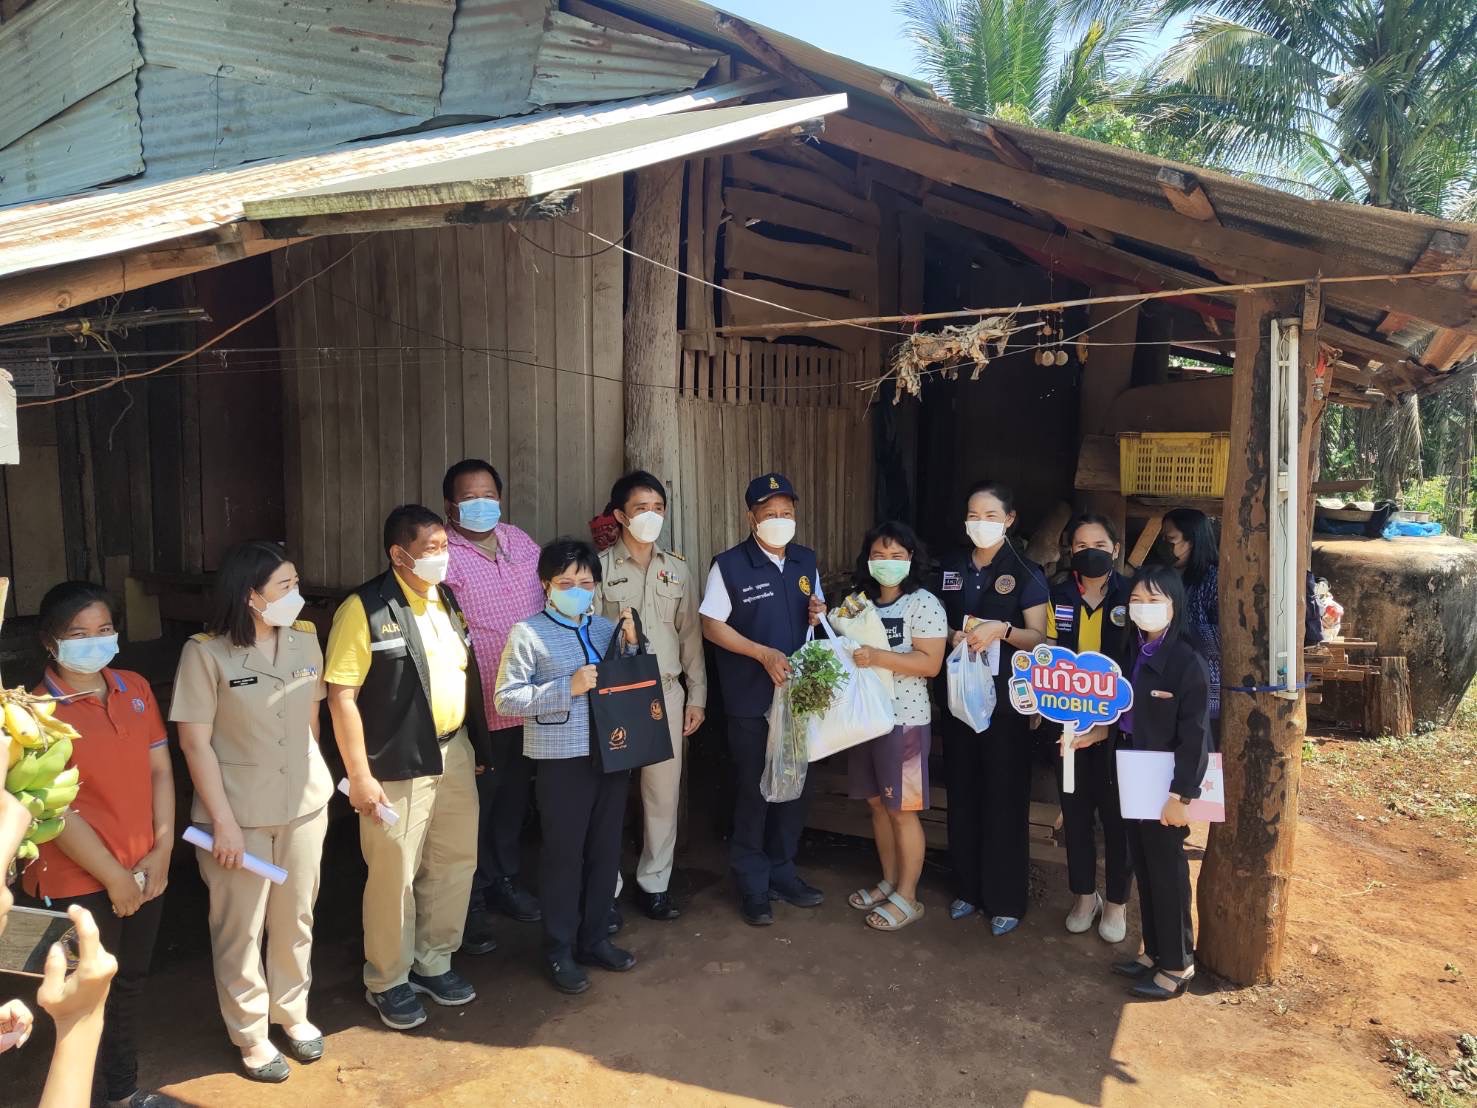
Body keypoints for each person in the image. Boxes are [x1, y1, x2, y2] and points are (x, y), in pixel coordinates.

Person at [170, 541, 334, 1082]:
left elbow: (311, 721)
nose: (296, 594)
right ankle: (251, 1034)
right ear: (250, 596)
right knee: (240, 929)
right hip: (238, 815)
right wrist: (222, 823)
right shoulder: (206, 653)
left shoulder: (305, 639)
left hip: (304, 805)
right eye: (285, 586)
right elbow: (195, 744)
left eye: (295, 582)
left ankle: (292, 1011)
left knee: (297, 916)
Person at [325, 505, 491, 1031]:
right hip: (393, 760)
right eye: (431, 549)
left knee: (454, 860)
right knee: (393, 872)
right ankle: (388, 978)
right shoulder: (365, 608)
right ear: (399, 554)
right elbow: (341, 696)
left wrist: (476, 748)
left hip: (453, 749)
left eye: (445, 547)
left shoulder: (446, 599)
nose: (443, 557)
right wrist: (359, 775)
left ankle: (433, 961)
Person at [21, 582, 178, 1108]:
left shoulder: (134, 687)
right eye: (78, 634)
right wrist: (113, 877)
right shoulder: (34, 712)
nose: (95, 641)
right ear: (50, 642)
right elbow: (52, 809)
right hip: (75, 881)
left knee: (130, 982)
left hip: (145, 867)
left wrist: (162, 850)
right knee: (78, 997)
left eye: (104, 629)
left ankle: (123, 1090)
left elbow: (160, 770)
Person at [494, 538, 637, 995]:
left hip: (611, 753)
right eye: (566, 582)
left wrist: (633, 644)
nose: (578, 590)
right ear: (545, 584)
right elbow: (506, 699)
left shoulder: (605, 628)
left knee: (605, 850)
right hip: (561, 759)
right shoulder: (527, 633)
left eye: (586, 583)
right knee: (563, 855)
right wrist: (566, 688)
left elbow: (629, 681)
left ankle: (594, 938)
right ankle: (558, 949)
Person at [700, 472, 826, 927]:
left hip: (799, 699)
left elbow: (816, 617)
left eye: (786, 512)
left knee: (794, 788)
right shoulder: (730, 566)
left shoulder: (805, 561)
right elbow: (711, 625)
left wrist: (818, 613)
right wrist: (761, 653)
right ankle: (752, 883)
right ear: (751, 517)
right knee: (755, 791)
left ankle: (782, 871)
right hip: (751, 700)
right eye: (769, 513)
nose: (779, 519)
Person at [934, 482, 1048, 936]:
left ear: (1010, 520)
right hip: (960, 700)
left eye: (990, 516)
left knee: (1004, 798)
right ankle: (967, 888)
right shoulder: (950, 567)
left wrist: (1003, 630)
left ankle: (1006, 898)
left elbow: (1039, 638)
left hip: (1005, 708)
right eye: (973, 515)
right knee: (962, 794)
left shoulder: (1026, 572)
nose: (980, 523)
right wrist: (951, 636)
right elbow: (933, 620)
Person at [441, 459, 546, 946]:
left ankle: (503, 880)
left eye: (488, 495)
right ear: (450, 506)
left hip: (526, 702)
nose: (481, 504)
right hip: (477, 706)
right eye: (469, 498)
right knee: (474, 807)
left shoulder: (518, 540)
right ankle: (470, 898)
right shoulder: (443, 554)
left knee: (512, 801)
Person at [595, 471, 707, 922]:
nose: (651, 516)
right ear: (620, 516)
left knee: (662, 795)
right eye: (641, 508)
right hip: (614, 696)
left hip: (666, 692)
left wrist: (697, 696)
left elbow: (690, 637)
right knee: (608, 795)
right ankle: (606, 888)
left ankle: (654, 883)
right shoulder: (598, 568)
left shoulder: (676, 569)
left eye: (658, 508)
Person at [1111, 564, 1212, 1000]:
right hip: (1133, 769)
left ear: (1175, 605)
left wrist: (1181, 796)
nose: (1144, 607)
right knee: (1145, 864)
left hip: (1166, 782)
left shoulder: (1187, 661)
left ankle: (1177, 964)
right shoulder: (1131, 649)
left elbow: (1196, 736)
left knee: (1168, 870)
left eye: (1154, 600)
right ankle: (1154, 951)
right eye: (1137, 599)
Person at [843, 522, 947, 932]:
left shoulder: (924, 604)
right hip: (864, 718)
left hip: (904, 720)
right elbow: (835, 634)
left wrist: (877, 657)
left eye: (896, 555)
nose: (887, 562)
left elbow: (930, 664)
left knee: (902, 810)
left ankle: (908, 895)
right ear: (867, 560)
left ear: (911, 559)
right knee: (876, 804)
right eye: (879, 555)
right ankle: (889, 881)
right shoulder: (857, 602)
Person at [1045, 514, 1134, 943]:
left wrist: (1110, 725)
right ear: (1070, 551)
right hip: (1069, 726)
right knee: (1076, 815)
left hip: (1120, 729)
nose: (1090, 552)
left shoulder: (1133, 596)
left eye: (1099, 544)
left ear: (1115, 549)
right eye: (1081, 546)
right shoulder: (1058, 594)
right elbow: (1046, 653)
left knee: (1118, 818)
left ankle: (1116, 902)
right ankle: (1084, 896)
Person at [1157, 508, 1220, 743]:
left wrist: (1179, 631)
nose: (1164, 545)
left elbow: (1225, 634)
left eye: (1170, 539)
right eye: (1162, 538)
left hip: (1201, 681)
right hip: (1163, 676)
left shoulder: (1214, 579)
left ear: (1192, 540)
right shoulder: (1163, 578)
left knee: (1198, 746)